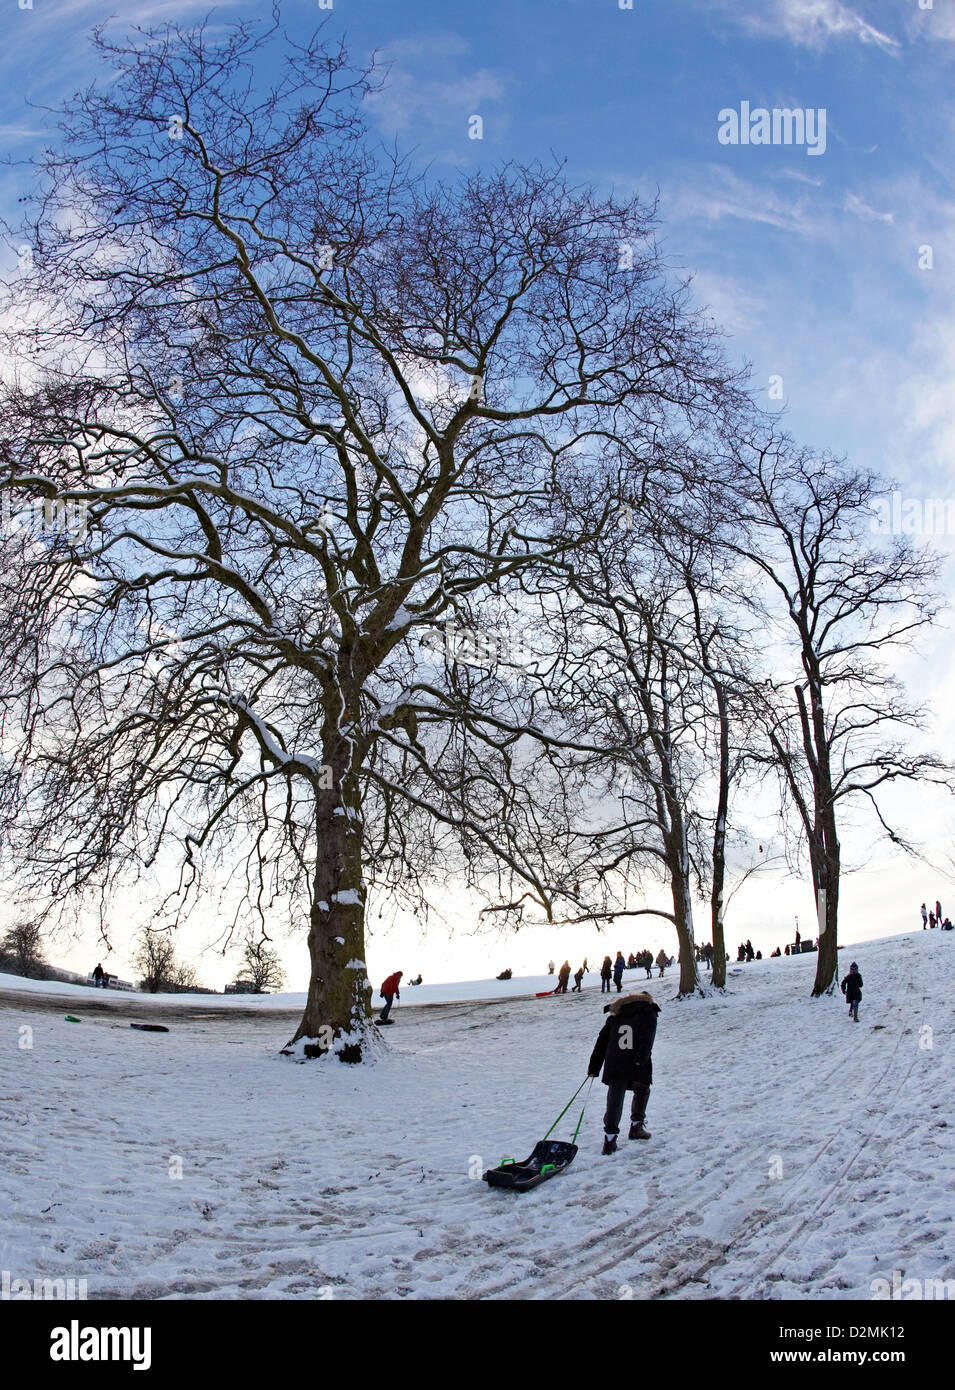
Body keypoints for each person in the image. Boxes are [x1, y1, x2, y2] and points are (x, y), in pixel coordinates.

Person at [588, 990, 661, 1154]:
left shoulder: (616, 1014)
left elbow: (601, 1042)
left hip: (615, 1061)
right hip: (637, 1060)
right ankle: (636, 1127)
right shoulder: (648, 1012)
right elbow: (647, 1040)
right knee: (642, 1089)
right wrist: (640, 1060)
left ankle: (609, 1141)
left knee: (615, 1097)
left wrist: (594, 1067)